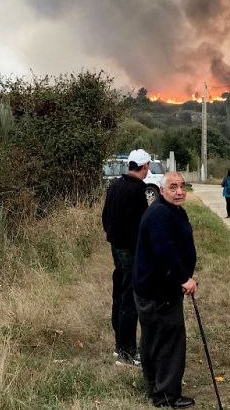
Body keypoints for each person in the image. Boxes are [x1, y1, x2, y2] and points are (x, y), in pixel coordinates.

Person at [133, 172, 198, 409]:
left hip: (153, 287)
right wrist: (184, 278)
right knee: (169, 340)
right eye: (173, 187)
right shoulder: (160, 214)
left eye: (182, 186)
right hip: (158, 289)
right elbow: (166, 251)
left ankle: (154, 385)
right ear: (162, 190)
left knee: (154, 336)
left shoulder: (171, 210)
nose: (179, 191)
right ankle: (166, 394)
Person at [101, 148, 151, 366]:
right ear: (145, 166)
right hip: (130, 251)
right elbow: (138, 228)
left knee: (119, 296)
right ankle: (127, 351)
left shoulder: (114, 186)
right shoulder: (136, 192)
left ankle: (118, 345)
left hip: (115, 248)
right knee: (129, 301)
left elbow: (105, 218)